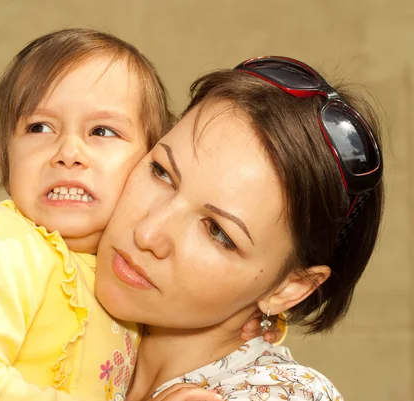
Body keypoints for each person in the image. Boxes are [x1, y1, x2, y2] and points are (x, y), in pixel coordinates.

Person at [93, 56, 384, 401]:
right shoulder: (52, 292)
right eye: (162, 172)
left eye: (218, 232)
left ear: (289, 288)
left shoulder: (287, 394)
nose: (147, 233)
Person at [0, 27, 174, 401]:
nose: (68, 151)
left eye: (102, 131)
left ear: (148, 168)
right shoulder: (1, 239)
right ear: (4, 163)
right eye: (39, 127)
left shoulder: (124, 275)